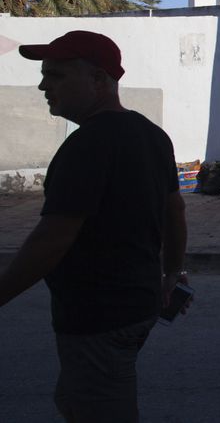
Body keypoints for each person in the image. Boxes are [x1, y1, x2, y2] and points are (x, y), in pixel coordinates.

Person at [0, 30, 189, 421]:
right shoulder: (152, 135)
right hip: (138, 303)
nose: (42, 85)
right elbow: (176, 211)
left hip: (99, 315)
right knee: (77, 398)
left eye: (56, 75)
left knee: (98, 407)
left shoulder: (88, 145)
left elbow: (52, 241)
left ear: (100, 80)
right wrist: (172, 272)